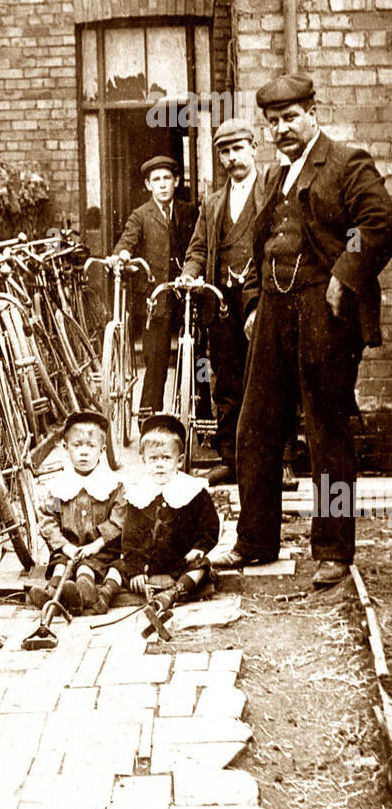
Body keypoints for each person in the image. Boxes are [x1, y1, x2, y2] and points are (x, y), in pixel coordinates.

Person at [212, 73, 392, 586]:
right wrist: (252, 303)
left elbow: (378, 223)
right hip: (273, 311)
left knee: (325, 434)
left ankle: (334, 550)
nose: (282, 130)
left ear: (313, 112)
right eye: (273, 122)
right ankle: (255, 540)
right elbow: (257, 242)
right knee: (255, 426)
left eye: (290, 118)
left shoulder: (345, 163)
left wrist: (344, 275)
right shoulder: (275, 177)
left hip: (324, 314)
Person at [178, 117, 271, 486]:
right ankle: (231, 459)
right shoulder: (214, 202)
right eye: (225, 152)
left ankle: (276, 461)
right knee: (227, 382)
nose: (232, 158)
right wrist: (190, 271)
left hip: (263, 299)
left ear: (253, 148)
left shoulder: (271, 190)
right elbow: (198, 247)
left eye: (237, 149)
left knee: (269, 379)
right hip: (222, 305)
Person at [111, 156, 196, 415]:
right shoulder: (141, 215)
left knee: (195, 355)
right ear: (148, 185)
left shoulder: (189, 211)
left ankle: (199, 418)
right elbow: (126, 242)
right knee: (156, 358)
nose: (162, 185)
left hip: (186, 293)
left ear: (177, 181)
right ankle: (149, 417)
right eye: (156, 180)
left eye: (167, 179)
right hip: (156, 298)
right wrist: (123, 254)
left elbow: (200, 243)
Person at [119, 414, 221, 624]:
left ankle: (174, 592)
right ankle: (103, 595)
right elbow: (130, 537)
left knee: (201, 566)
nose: (159, 465)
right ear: (144, 460)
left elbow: (209, 527)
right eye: (153, 459)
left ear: (180, 460)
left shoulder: (193, 490)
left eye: (166, 458)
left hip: (180, 562)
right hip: (150, 566)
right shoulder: (139, 494)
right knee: (116, 567)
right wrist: (137, 570)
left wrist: (198, 549)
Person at [29, 409, 126, 615]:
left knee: (85, 568)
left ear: (102, 449)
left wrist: (97, 544)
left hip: (99, 551)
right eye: (77, 445)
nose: (84, 452)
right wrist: (65, 547)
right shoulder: (58, 486)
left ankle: (84, 592)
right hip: (68, 549)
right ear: (66, 447)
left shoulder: (112, 485)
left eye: (91, 446)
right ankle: (52, 593)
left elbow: (119, 519)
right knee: (60, 567)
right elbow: (48, 520)